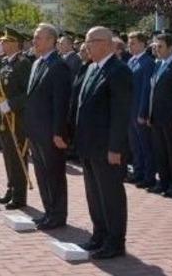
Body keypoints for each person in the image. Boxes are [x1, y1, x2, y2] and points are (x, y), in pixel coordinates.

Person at [73, 26, 131, 260]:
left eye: (91, 41)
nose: (86, 45)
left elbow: (121, 114)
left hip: (107, 148)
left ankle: (115, 242)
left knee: (111, 196)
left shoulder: (119, 71)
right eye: (86, 41)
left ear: (107, 43)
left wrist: (115, 148)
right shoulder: (91, 68)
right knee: (94, 194)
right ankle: (99, 235)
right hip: (89, 145)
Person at [17, 23, 72, 229]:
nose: (34, 41)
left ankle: (58, 215)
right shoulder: (37, 63)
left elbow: (61, 103)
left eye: (38, 37)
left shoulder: (59, 66)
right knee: (42, 174)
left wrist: (59, 132)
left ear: (51, 40)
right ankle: (48, 212)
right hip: (35, 130)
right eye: (34, 37)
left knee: (54, 174)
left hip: (50, 133)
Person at [0, 27, 32, 210]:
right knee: (8, 155)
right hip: (3, 118)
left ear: (16, 43)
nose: (2, 44)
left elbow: (28, 93)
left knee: (17, 156)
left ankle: (20, 196)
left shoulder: (23, 64)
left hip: (16, 118)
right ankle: (11, 189)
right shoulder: (5, 63)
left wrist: (11, 104)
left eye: (6, 42)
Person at [146, 33, 172, 197]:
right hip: (156, 117)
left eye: (160, 46)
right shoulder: (157, 64)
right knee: (160, 152)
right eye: (155, 46)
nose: (156, 48)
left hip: (171, 119)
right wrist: (149, 114)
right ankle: (163, 182)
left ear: (171, 47)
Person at [126, 32, 155, 188]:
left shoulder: (147, 62)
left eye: (133, 43)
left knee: (145, 145)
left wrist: (143, 112)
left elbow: (146, 89)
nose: (130, 46)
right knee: (135, 145)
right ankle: (138, 172)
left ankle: (148, 175)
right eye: (129, 43)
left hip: (139, 111)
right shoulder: (131, 61)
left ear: (143, 44)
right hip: (130, 110)